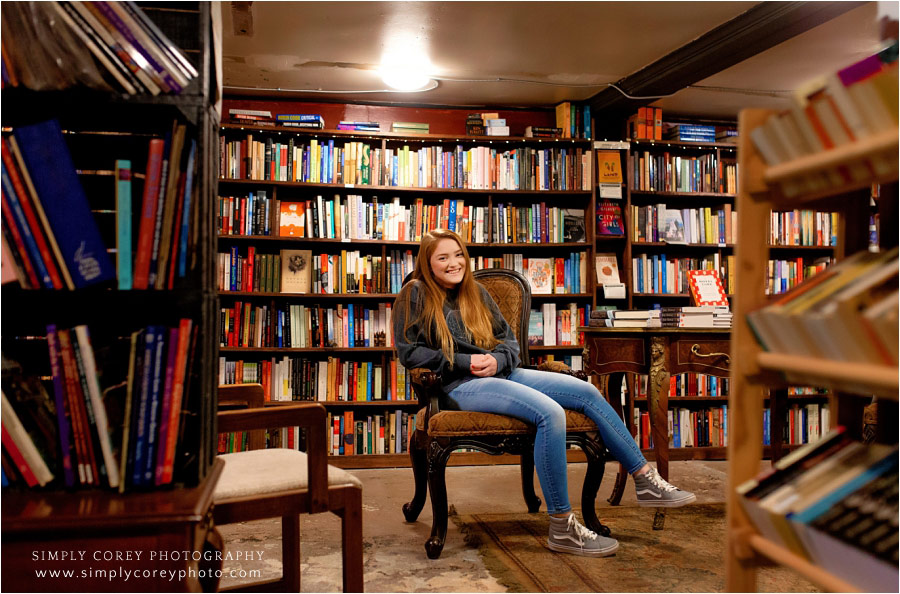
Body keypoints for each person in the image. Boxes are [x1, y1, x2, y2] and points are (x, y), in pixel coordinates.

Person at [393, 229, 695, 558]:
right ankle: (562, 525)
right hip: (458, 385)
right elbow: (411, 354)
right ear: (428, 262)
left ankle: (644, 479)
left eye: (458, 254)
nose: (454, 263)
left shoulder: (475, 292)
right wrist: (466, 361)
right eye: (443, 257)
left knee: (586, 392)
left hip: (504, 373)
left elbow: (510, 344)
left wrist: (497, 359)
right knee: (548, 412)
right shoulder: (416, 293)